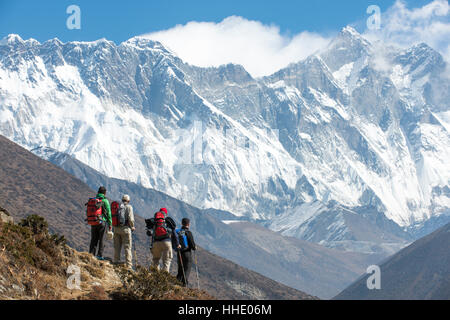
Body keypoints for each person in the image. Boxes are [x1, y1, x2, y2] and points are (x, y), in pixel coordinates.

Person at [150, 208, 178, 272]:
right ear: (166, 213)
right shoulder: (168, 220)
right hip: (166, 242)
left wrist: (151, 245)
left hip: (156, 242)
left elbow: (152, 234)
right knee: (166, 261)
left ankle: (155, 276)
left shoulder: (155, 221)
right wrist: (177, 244)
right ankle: (164, 278)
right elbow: (174, 233)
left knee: (156, 259)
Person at [89, 186, 112, 260]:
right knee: (101, 239)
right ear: (105, 193)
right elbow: (109, 213)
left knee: (94, 239)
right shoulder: (105, 201)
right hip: (102, 222)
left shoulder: (94, 200)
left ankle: (91, 254)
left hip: (93, 221)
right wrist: (110, 224)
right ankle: (99, 255)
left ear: (98, 192)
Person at [113, 194, 135, 269]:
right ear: (128, 201)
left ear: (122, 200)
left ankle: (116, 261)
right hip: (125, 229)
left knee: (117, 247)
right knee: (127, 247)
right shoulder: (129, 207)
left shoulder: (118, 206)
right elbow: (131, 219)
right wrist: (132, 227)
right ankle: (129, 265)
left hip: (116, 229)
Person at [175, 218, 196, 287]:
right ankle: (184, 284)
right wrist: (194, 247)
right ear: (188, 224)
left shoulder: (178, 232)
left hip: (179, 253)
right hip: (187, 253)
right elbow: (192, 245)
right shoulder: (188, 233)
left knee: (180, 269)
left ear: (182, 223)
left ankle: (176, 283)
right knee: (187, 268)